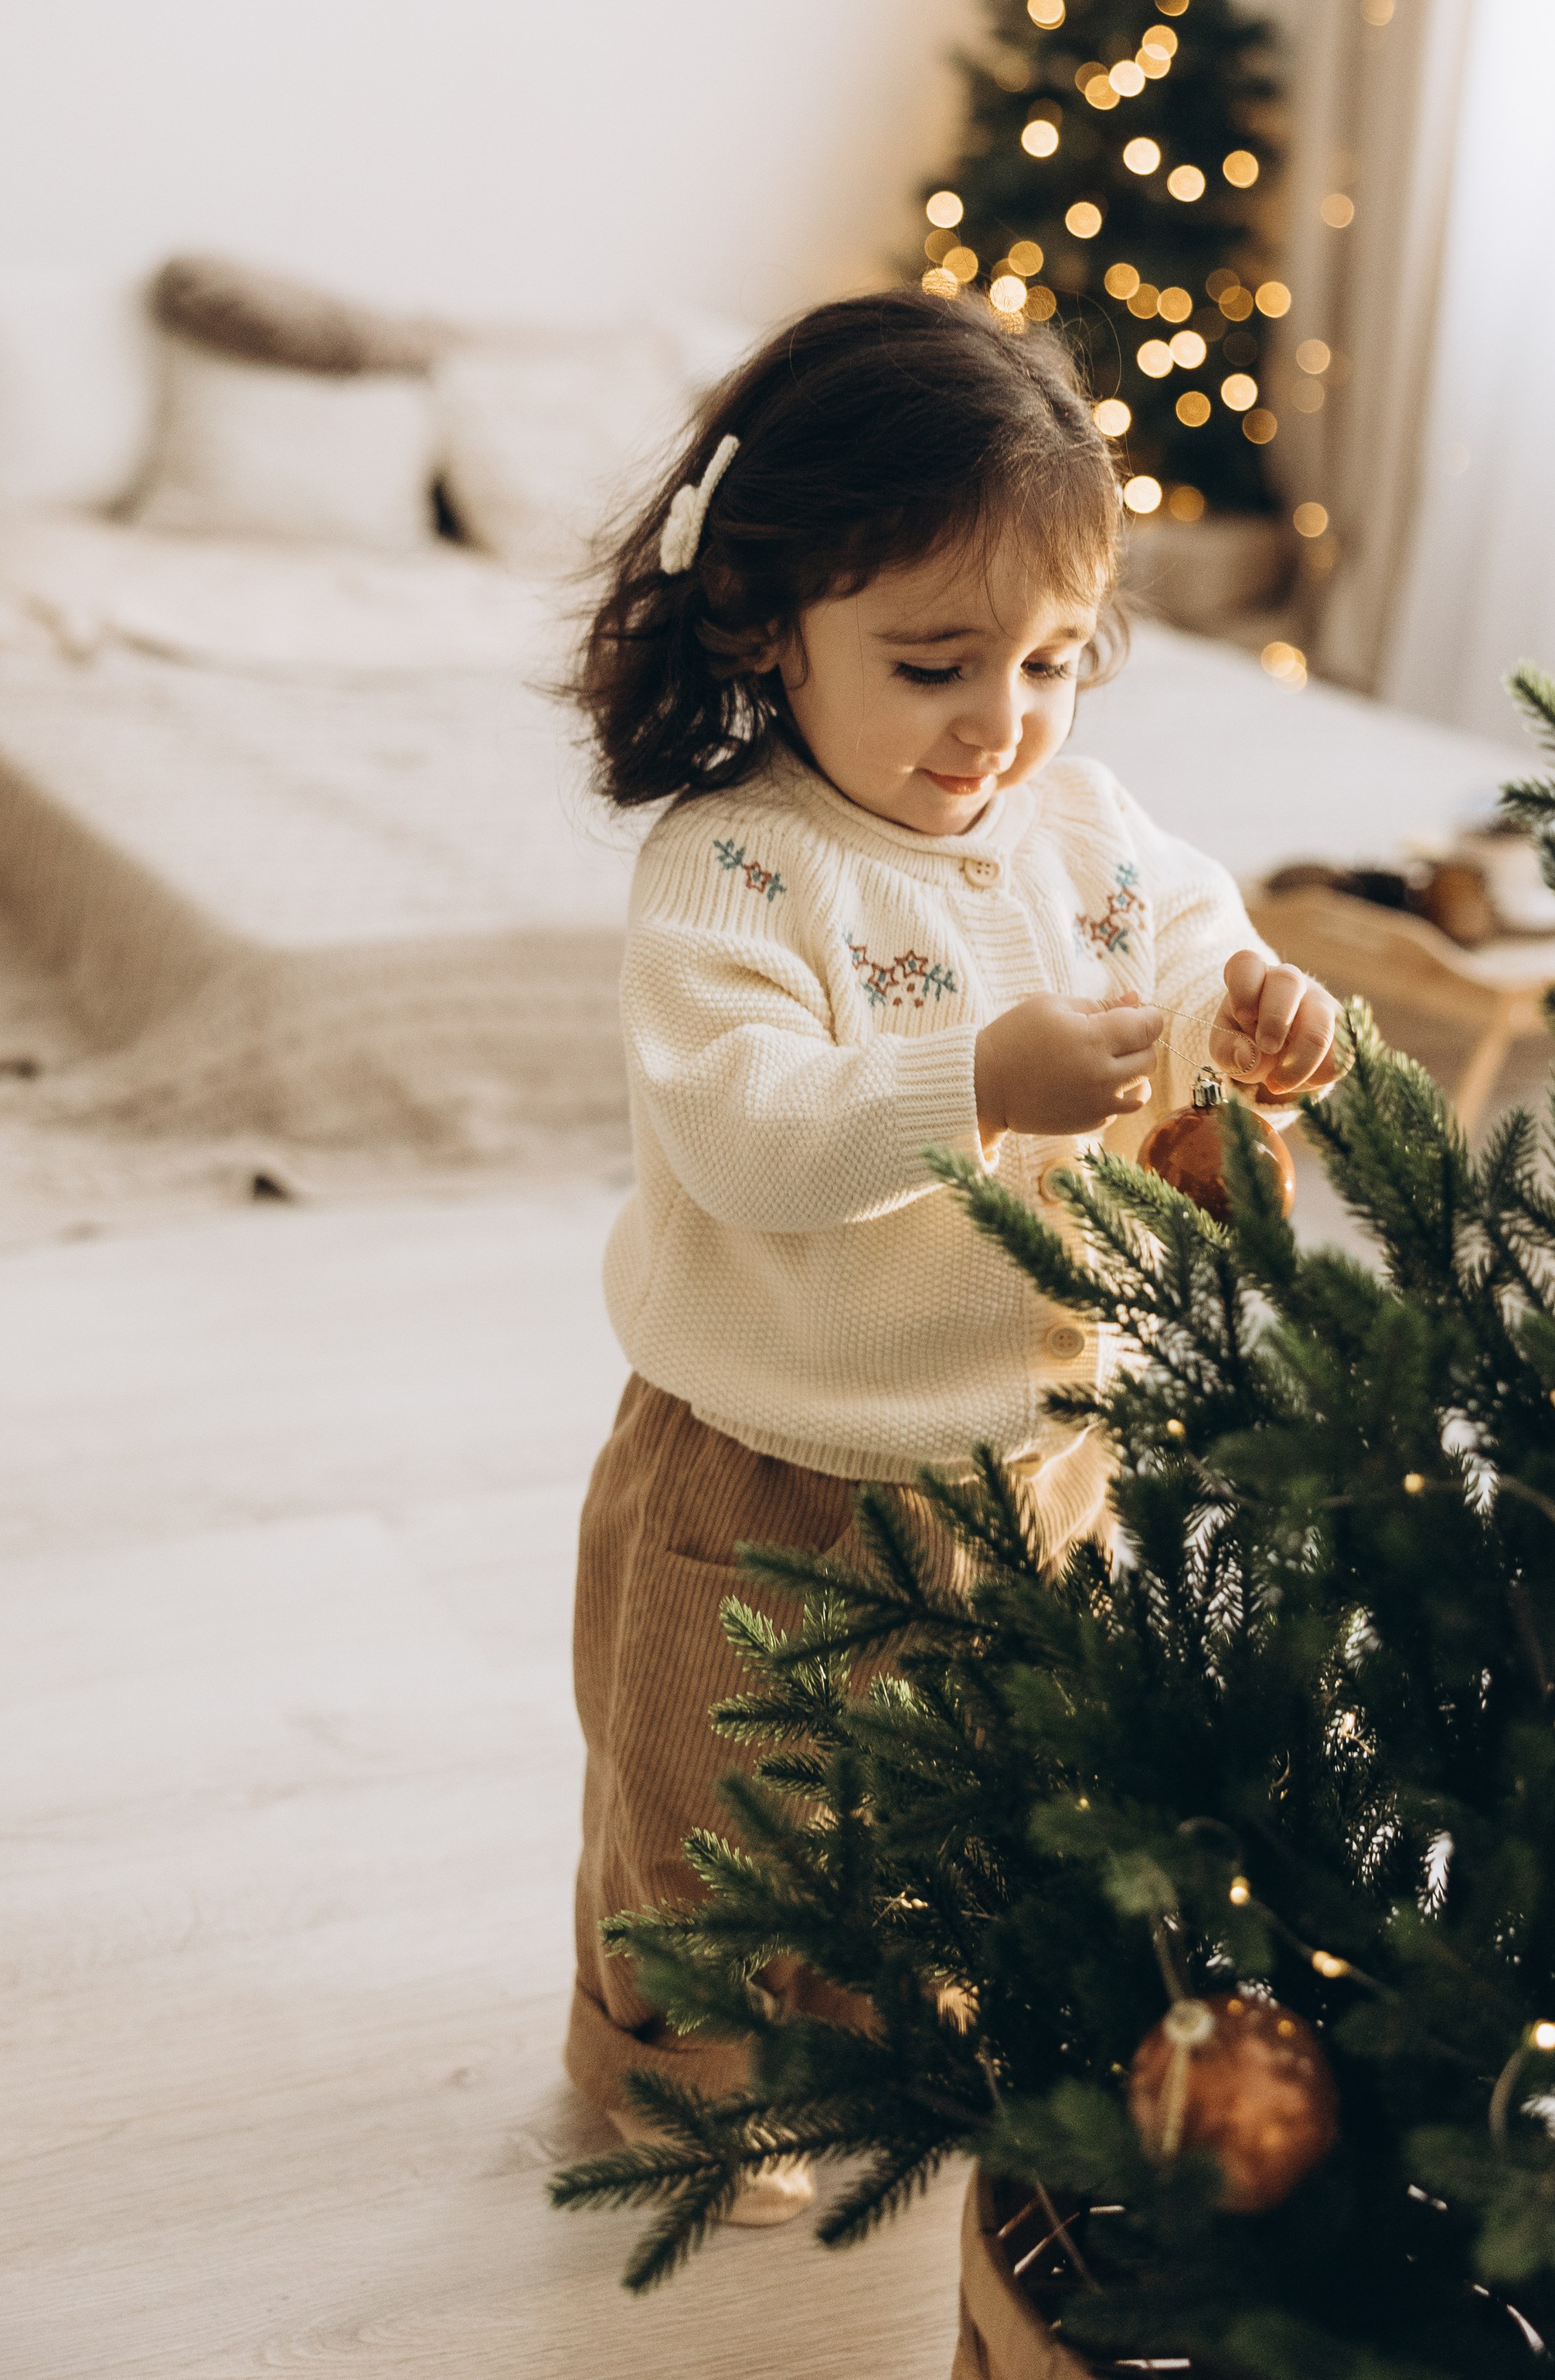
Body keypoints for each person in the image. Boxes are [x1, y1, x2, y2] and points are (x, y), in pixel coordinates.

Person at [563, 289, 1339, 2218]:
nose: (999, 723)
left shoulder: (1080, 819)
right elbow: (745, 1128)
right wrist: (975, 1076)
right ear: (767, 621)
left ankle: (909, 2047)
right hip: (768, 1466)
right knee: (716, 1815)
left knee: (972, 1804)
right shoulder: (734, 871)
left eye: (1052, 661)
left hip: (1030, 1454)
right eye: (932, 665)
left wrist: (1250, 1012)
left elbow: (1186, 948)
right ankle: (690, 2091)